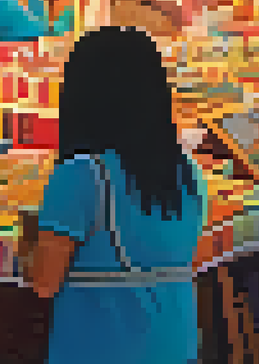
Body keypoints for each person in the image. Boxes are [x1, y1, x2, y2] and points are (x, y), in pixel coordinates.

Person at [27, 28, 206, 364]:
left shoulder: (82, 174)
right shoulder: (188, 172)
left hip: (100, 348)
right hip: (175, 346)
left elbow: (44, 281)